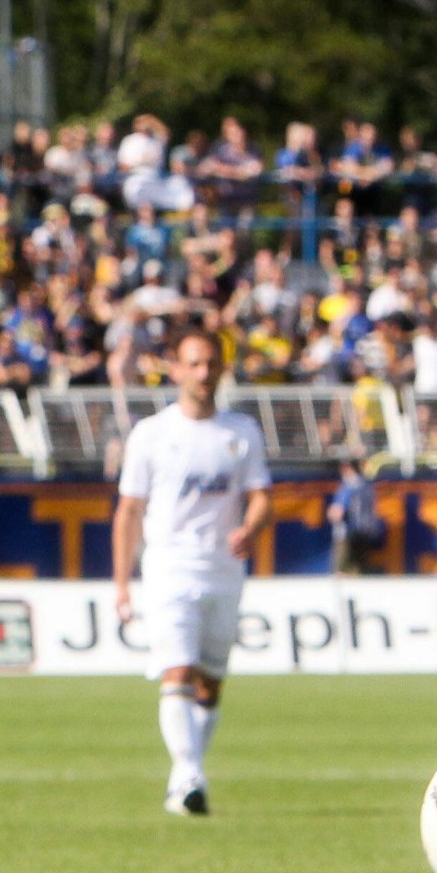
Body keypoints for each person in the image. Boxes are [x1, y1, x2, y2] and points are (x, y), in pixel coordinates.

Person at [111, 326, 271, 816]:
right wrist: (121, 583)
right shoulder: (152, 434)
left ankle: (188, 777)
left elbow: (262, 496)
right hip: (168, 568)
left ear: (222, 369)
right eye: (194, 364)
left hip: (223, 571)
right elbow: (129, 512)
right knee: (176, 670)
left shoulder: (240, 432)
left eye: (211, 364)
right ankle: (187, 774)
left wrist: (250, 527)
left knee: (210, 684)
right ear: (176, 369)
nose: (203, 373)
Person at [326, 456, 382, 575]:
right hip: (365, 532)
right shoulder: (366, 485)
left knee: (341, 572)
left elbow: (337, 512)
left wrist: (330, 514)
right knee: (359, 571)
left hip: (346, 534)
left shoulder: (348, 486)